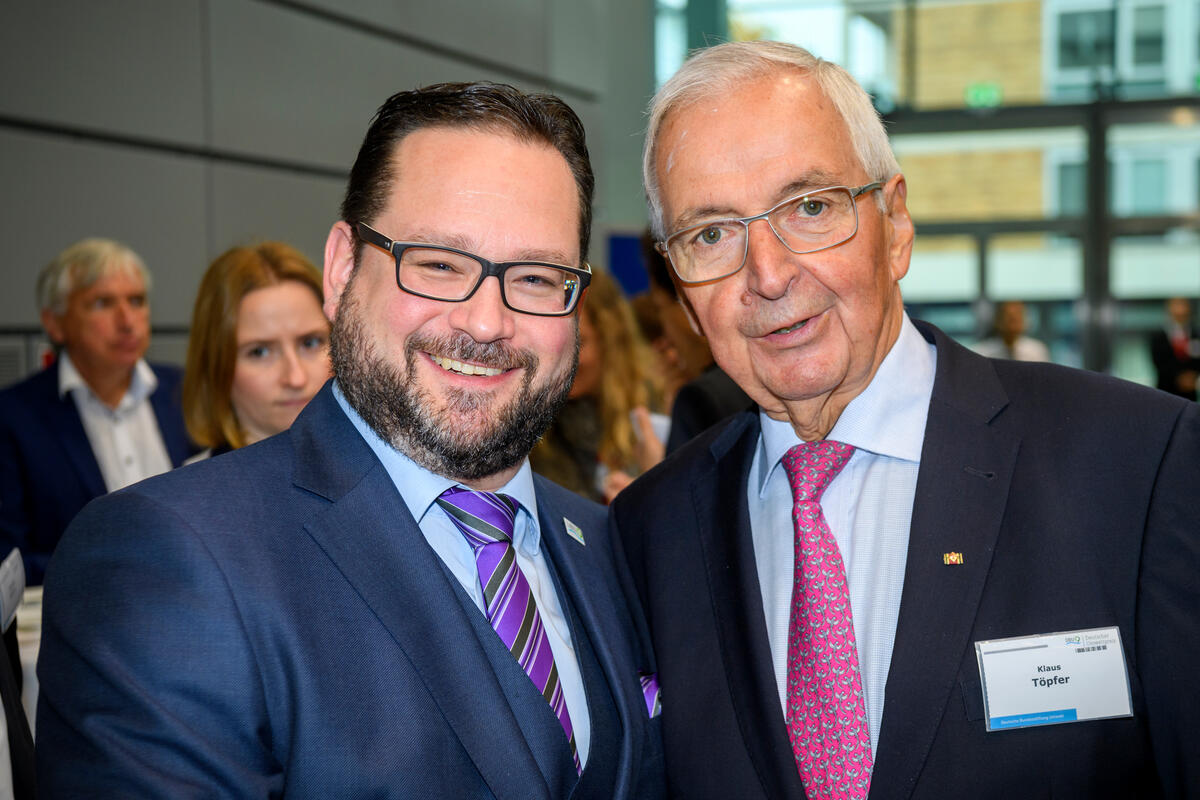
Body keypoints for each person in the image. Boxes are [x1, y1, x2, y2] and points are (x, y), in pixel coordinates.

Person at [37, 82, 665, 798]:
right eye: (438, 264)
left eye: (535, 276)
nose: (486, 322)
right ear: (341, 270)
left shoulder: (612, 546)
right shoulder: (171, 558)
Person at [612, 41, 1199, 799]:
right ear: (682, 290)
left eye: (811, 207)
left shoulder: (1136, 467)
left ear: (895, 224)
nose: (767, 274)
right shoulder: (647, 535)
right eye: (712, 234)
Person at [0, 238, 196, 585]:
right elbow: (10, 563)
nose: (127, 320)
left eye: (136, 301)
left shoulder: (186, 392)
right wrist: (119, 563)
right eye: (102, 303)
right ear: (55, 323)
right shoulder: (15, 417)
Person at [183, 242, 331, 457]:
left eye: (310, 343)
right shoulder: (189, 489)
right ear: (215, 366)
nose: (296, 378)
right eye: (260, 352)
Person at [531, 267, 665, 503]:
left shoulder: (657, 410)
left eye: (579, 345)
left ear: (610, 341)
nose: (564, 363)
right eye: (554, 345)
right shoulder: (534, 426)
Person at [641, 231, 751, 453]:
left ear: (688, 307)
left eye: (661, 308)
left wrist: (656, 472)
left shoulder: (700, 399)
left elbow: (686, 488)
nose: (666, 337)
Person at [1149, 296, 1200, 400]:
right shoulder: (1158, 336)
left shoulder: (1196, 335)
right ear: (1169, 310)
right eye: (1177, 305)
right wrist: (1178, 378)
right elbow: (1158, 361)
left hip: (1190, 394)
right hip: (1166, 392)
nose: (1180, 310)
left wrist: (1192, 377)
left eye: (1183, 305)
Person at [972, 300, 1051, 362]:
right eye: (1009, 318)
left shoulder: (1037, 350)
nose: (1013, 323)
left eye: (1017, 317)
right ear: (998, 320)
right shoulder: (982, 352)